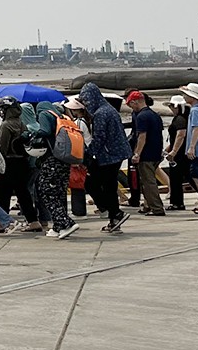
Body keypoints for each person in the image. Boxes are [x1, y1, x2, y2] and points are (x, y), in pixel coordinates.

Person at [80, 83, 130, 232]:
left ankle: (113, 212)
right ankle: (114, 216)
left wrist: (88, 154)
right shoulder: (110, 109)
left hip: (109, 155)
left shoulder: (101, 114)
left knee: (92, 183)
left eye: (87, 101)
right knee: (109, 186)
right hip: (117, 153)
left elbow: (99, 137)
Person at [0, 97, 41, 231]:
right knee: (23, 193)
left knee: (2, 193)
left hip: (10, 162)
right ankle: (33, 221)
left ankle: (2, 222)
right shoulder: (22, 123)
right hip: (22, 162)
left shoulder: (6, 125)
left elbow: (3, 148)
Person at [33, 105, 79, 239]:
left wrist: (31, 134)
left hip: (51, 160)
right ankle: (58, 226)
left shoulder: (44, 114)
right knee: (59, 193)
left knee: (47, 192)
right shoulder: (62, 117)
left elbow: (44, 131)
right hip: (64, 160)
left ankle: (66, 223)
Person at [125, 91, 165, 216]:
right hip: (156, 152)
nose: (131, 107)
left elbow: (142, 137)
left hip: (146, 154)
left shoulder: (141, 116)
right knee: (147, 180)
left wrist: (137, 153)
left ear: (135, 102)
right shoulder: (154, 115)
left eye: (131, 104)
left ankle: (157, 208)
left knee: (148, 182)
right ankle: (148, 205)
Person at [178, 82, 198, 213]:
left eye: (186, 95)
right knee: (196, 176)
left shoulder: (195, 110)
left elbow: (196, 129)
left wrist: (191, 147)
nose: (184, 97)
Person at [165, 94, 191, 210]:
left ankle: (177, 202)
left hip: (179, 154)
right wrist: (168, 148)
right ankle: (177, 201)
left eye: (172, 106)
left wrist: (173, 152)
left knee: (177, 178)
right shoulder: (182, 118)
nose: (171, 108)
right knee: (182, 177)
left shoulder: (180, 120)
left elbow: (180, 135)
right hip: (180, 152)